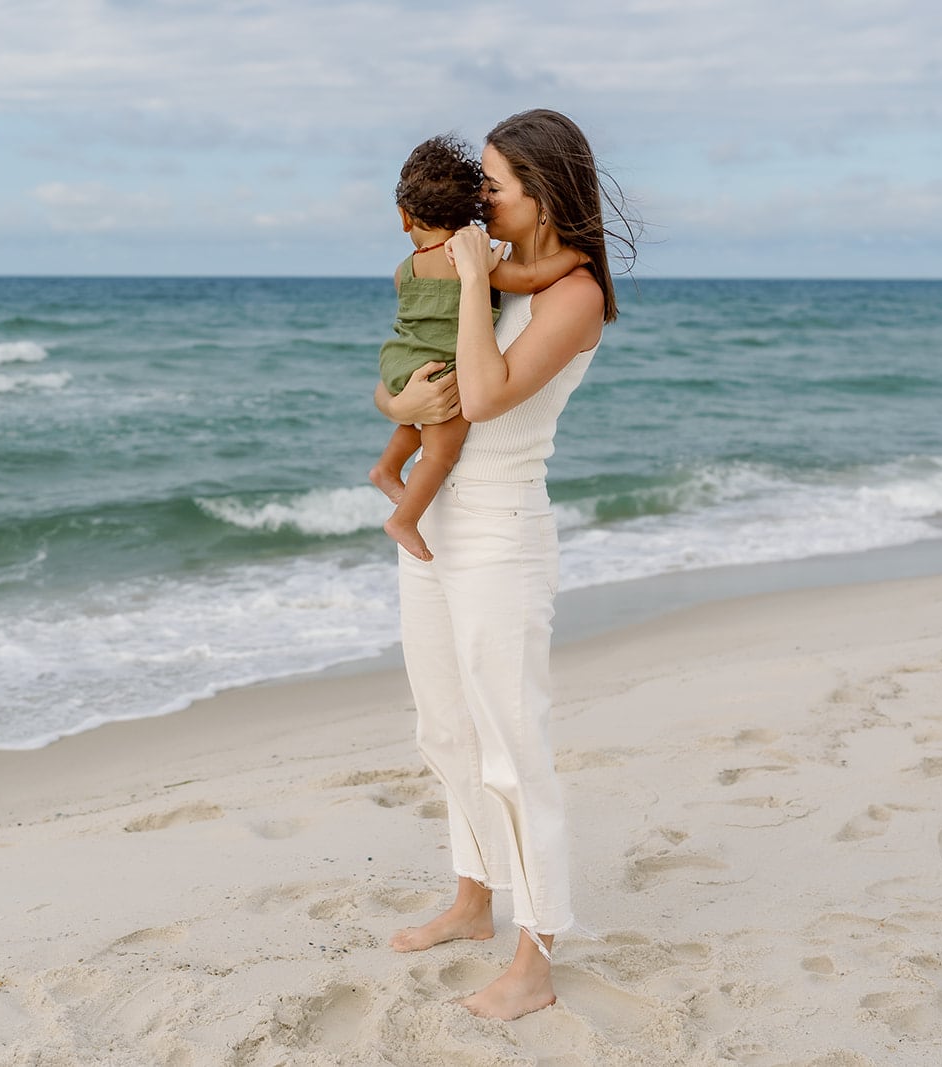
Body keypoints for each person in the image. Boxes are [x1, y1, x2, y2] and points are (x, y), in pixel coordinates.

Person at [373, 109, 635, 1021]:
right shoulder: (487, 266)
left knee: (512, 747)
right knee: (444, 728)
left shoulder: (575, 296)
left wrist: (477, 275)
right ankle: (472, 897)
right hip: (439, 519)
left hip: (500, 530)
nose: (479, 200)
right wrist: (397, 402)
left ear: (544, 193)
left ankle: (536, 955)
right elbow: (411, 368)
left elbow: (481, 395)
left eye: (494, 185)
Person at [372, 134, 587, 562]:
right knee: (439, 451)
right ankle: (404, 519)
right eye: (482, 191)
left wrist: (397, 403)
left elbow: (418, 319)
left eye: (494, 188)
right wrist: (575, 257)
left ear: (404, 218)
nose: (486, 200)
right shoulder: (474, 263)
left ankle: (387, 468)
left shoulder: (405, 269)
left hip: (401, 360)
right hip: (438, 371)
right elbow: (528, 279)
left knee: (421, 422)